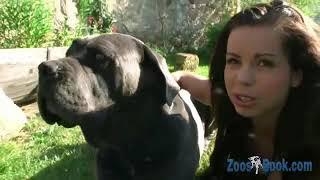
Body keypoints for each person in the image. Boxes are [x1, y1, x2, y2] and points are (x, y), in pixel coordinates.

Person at [172, 1, 320, 180]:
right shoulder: (228, 99)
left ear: (297, 74)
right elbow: (183, 78)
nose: (242, 78)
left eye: (264, 63)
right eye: (234, 60)